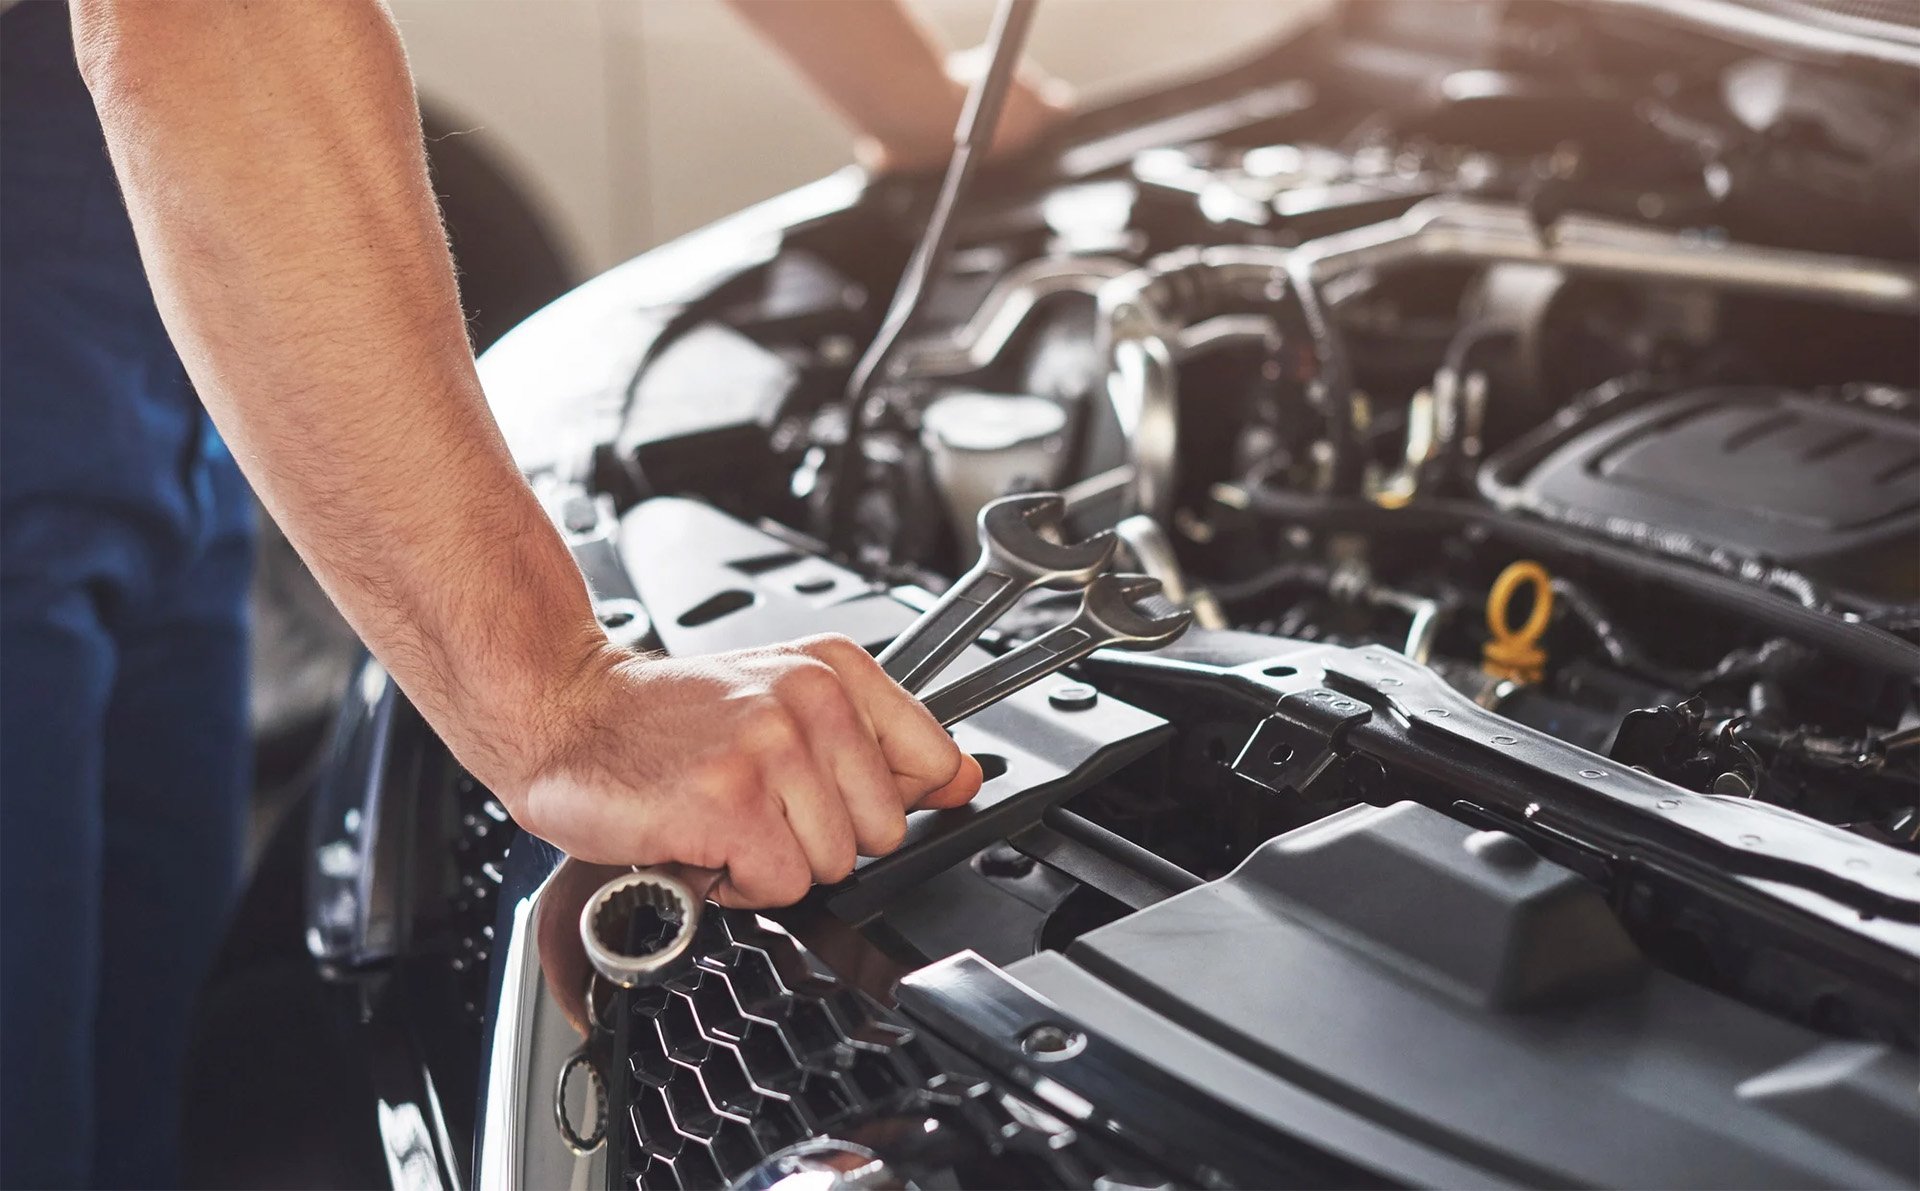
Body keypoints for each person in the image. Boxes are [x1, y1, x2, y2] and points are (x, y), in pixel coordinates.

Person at [1, 1, 1061, 1185]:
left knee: (136, 1051)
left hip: (113, 175)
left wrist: (929, 113)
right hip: (140, 117)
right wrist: (559, 702)